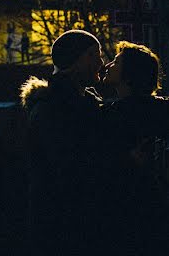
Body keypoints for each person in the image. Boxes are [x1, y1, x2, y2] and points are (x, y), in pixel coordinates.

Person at [19, 29, 106, 255]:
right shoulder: (54, 109)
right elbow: (70, 167)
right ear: (78, 59)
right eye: (94, 55)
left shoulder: (71, 104)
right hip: (61, 225)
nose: (101, 62)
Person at [100, 41, 169, 254]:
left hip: (122, 206)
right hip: (154, 205)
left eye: (115, 62)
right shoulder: (159, 110)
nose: (108, 65)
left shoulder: (115, 114)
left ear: (128, 73)